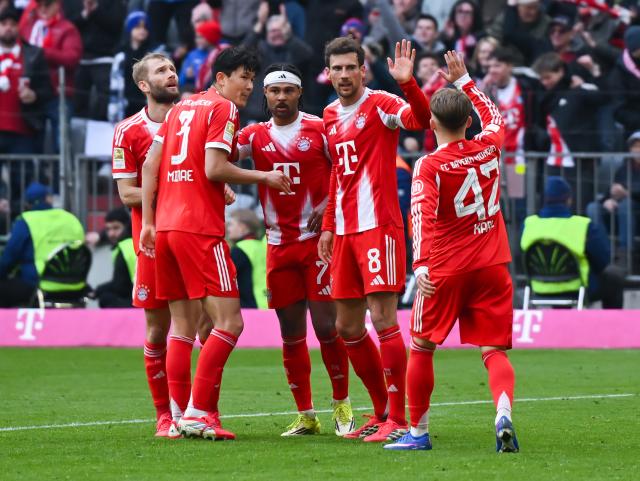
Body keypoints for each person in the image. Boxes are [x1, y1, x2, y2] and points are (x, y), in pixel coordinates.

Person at [140, 45, 290, 440]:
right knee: (229, 322)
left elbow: (150, 165)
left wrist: (149, 223)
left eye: (252, 78)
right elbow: (213, 167)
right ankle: (199, 410)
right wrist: (265, 177)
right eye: (243, 76)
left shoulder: (179, 109)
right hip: (199, 231)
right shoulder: (223, 109)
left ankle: (174, 418)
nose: (249, 86)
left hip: (168, 229)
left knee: (183, 327)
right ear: (220, 78)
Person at [385, 51, 518, 452]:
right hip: (493, 264)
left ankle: (418, 433)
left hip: (445, 268)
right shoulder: (490, 146)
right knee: (493, 350)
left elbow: (420, 215)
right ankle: (503, 413)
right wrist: (466, 82)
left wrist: (420, 263)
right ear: (468, 121)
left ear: (432, 123)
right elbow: (496, 117)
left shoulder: (429, 165)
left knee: (422, 346)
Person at [318, 37, 431, 442]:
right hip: (345, 233)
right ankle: (382, 409)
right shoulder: (329, 114)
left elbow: (420, 121)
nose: (345, 75)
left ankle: (400, 419)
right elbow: (337, 175)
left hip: (378, 227)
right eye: (338, 68)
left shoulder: (381, 103)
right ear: (328, 73)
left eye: (351, 67)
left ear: (363, 70)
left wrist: (409, 84)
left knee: (383, 320)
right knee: (347, 326)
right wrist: (329, 225)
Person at [237, 63, 354, 437]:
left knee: (327, 326)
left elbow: (347, 166)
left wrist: (329, 205)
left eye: (288, 91)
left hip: (316, 244)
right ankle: (306, 414)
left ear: (300, 93)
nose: (281, 97)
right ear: (265, 95)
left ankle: (342, 405)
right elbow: (216, 158)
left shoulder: (319, 129)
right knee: (290, 333)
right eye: (274, 91)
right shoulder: (254, 136)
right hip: (277, 245)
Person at [111, 53, 181, 438]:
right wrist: (179, 188)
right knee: (158, 330)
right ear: (143, 85)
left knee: (208, 327)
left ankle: (197, 410)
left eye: (172, 69)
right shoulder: (128, 131)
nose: (170, 75)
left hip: (195, 237)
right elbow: (126, 194)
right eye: (161, 71)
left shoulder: (191, 119)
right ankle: (164, 415)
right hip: (153, 242)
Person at [522, 176, 624, 309]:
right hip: (577, 288)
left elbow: (523, 255)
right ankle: (612, 327)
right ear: (569, 200)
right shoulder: (583, 225)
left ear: (544, 199)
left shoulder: (529, 224)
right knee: (614, 277)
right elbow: (603, 260)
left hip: (539, 287)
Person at [0, 181, 85, 307]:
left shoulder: (26, 221)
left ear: (28, 204)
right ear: (48, 199)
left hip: (39, 286)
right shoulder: (70, 218)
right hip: (76, 285)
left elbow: (9, 259)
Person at [19, 0, 82, 152]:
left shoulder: (67, 28)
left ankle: (61, 176)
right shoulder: (29, 28)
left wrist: (42, 53)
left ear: (57, 5)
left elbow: (72, 58)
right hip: (34, 95)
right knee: (32, 142)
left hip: (58, 94)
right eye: (39, 5)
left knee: (60, 144)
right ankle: (37, 176)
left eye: (47, 4)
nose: (43, 9)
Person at [68, 0, 126, 120]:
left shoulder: (115, 3)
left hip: (105, 59)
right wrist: (85, 13)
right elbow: (69, 26)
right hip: (80, 59)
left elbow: (116, 25)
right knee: (77, 103)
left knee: (104, 105)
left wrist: (96, 10)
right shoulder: (73, 3)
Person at [587, 132, 640, 261]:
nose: (637, 150)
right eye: (635, 146)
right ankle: (606, 251)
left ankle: (625, 254)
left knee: (626, 205)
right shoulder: (624, 168)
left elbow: (628, 193)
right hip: (620, 212)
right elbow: (610, 191)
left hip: (635, 212)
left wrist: (628, 193)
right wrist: (607, 200)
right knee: (593, 207)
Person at [93, 207, 135, 308]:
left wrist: (98, 290)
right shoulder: (132, 243)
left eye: (116, 228)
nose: (111, 234)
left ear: (127, 226)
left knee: (105, 298)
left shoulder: (124, 247)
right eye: (108, 229)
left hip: (137, 301)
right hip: (142, 296)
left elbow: (121, 287)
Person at [226, 209, 267, 309]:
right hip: (267, 303)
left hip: (249, 308)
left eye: (231, 224)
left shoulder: (240, 250)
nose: (228, 229)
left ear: (242, 227)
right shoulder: (262, 246)